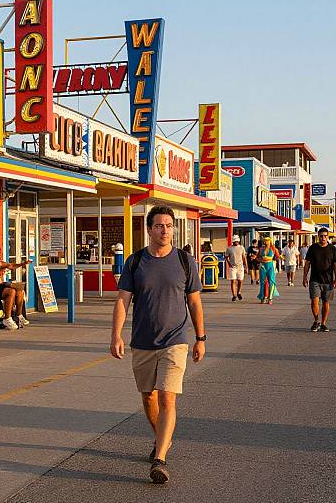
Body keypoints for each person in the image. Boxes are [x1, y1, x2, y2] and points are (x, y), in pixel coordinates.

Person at [110, 206, 206, 484]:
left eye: (169, 225)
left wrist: (200, 338)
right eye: (159, 226)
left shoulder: (186, 261)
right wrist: (116, 335)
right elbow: (123, 300)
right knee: (148, 397)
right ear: (149, 229)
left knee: (167, 397)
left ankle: (160, 458)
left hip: (175, 341)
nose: (165, 230)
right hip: (142, 341)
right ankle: (161, 438)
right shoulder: (136, 261)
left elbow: (195, 302)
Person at [0, 244, 31, 330]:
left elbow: (11, 266)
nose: (0, 254)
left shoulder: (0, 263)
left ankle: (19, 315)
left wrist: (23, 264)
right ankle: (7, 318)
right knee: (11, 291)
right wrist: (4, 267)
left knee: (20, 290)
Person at [303, 228, 336, 332]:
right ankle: (316, 321)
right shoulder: (312, 248)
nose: (323, 238)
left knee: (325, 303)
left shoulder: (332, 249)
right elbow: (307, 263)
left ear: (327, 237)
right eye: (321, 236)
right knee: (314, 301)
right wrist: (304, 277)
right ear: (318, 236)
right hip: (315, 279)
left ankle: (323, 323)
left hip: (328, 281)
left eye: (325, 236)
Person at [257, 236, 280, 305]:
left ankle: (270, 298)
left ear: (270, 241)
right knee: (262, 282)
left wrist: (274, 259)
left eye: (267, 241)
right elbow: (257, 258)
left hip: (270, 266)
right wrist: (260, 260)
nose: (266, 242)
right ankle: (262, 297)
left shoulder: (274, 249)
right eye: (265, 241)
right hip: (263, 266)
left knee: (272, 282)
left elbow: (277, 257)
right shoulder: (261, 249)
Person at [225, 235, 248, 301]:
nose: (236, 242)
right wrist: (229, 264)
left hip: (240, 266)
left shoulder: (241, 248)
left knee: (240, 280)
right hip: (233, 267)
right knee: (233, 280)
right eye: (235, 241)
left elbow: (244, 257)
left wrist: (246, 266)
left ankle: (239, 292)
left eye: (237, 241)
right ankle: (234, 295)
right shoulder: (229, 248)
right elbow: (226, 257)